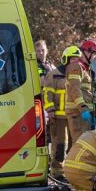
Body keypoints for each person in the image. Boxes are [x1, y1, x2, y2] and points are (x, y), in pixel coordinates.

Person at [37, 40, 68, 179]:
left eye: (43, 50)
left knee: (52, 137)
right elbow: (42, 82)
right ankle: (48, 164)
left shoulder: (50, 65)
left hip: (51, 105)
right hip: (39, 102)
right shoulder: (35, 66)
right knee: (44, 136)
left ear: (47, 50)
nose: (41, 53)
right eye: (38, 51)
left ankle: (54, 164)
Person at [62, 44, 93, 142]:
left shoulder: (81, 68)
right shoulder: (75, 67)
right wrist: (83, 107)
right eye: (72, 59)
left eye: (77, 58)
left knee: (81, 142)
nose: (75, 61)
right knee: (81, 142)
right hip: (78, 111)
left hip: (78, 111)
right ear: (66, 60)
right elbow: (74, 89)